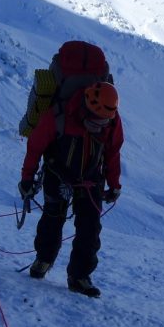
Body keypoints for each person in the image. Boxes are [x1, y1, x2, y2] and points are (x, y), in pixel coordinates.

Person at [18, 80, 124, 297]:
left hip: (92, 179)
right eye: (95, 122)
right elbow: (35, 146)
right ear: (85, 107)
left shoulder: (112, 121)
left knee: (90, 227)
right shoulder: (60, 115)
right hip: (58, 173)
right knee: (52, 217)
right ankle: (44, 260)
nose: (99, 126)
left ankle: (79, 276)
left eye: (103, 123)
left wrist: (114, 184)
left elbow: (113, 153)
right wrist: (27, 178)